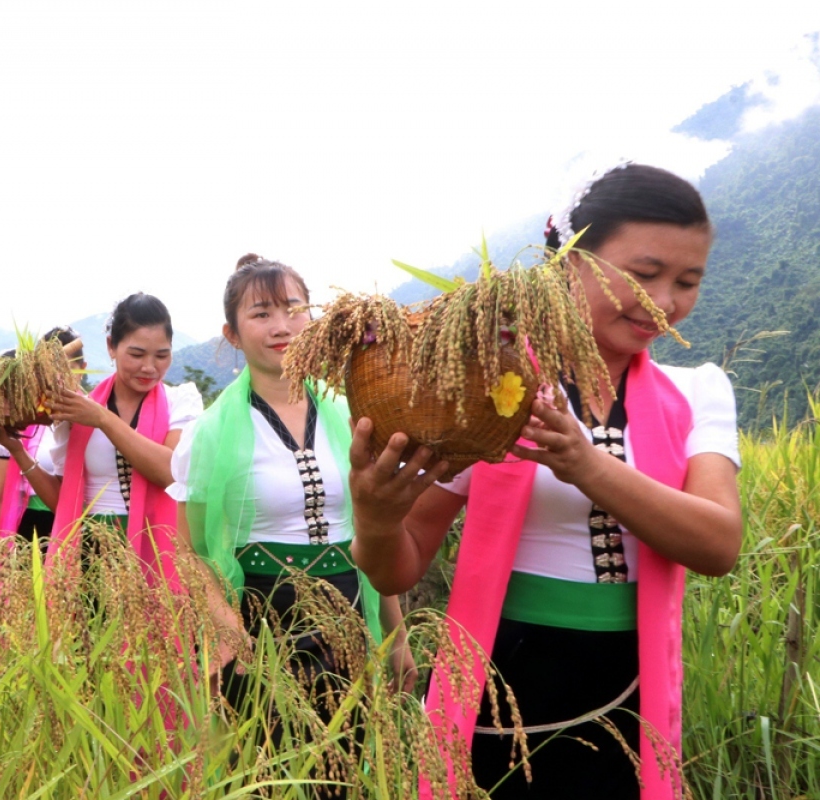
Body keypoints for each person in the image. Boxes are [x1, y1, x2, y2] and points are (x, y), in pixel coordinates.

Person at [349, 164, 742, 800]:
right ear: (570, 264)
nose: (663, 302)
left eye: (686, 281)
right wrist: (375, 519)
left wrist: (586, 465)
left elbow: (718, 544)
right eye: (643, 275)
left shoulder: (699, 391)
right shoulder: (491, 393)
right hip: (499, 683)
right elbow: (399, 566)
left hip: (630, 690)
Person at [169, 255, 415, 798]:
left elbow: (374, 532)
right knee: (269, 771)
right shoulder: (209, 434)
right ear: (232, 334)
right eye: (261, 313)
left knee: (349, 770)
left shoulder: (355, 415)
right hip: (261, 619)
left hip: (352, 610)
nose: (281, 326)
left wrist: (395, 634)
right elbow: (188, 552)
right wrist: (225, 631)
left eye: (293, 308)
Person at [39, 293, 203, 587]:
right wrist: (13, 447)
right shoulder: (79, 410)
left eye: (162, 355)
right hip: (88, 552)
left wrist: (103, 419)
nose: (150, 367)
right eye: (137, 355)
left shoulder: (181, 402)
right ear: (111, 347)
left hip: (153, 550)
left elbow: (171, 472)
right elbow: (63, 497)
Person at [0, 328, 85, 556]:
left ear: (82, 370)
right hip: (25, 527)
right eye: (49, 370)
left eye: (67, 368)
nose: (58, 378)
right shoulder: (23, 422)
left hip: (78, 531)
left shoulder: (93, 420)